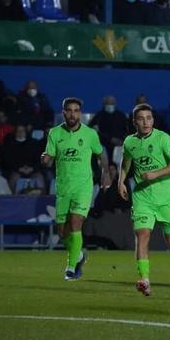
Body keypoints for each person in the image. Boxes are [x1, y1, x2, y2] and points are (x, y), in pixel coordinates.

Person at [118, 104, 170, 297]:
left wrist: (156, 174)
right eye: (141, 119)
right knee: (142, 235)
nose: (145, 122)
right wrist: (121, 181)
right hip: (142, 197)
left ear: (153, 120)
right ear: (135, 122)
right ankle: (145, 279)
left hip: (165, 197)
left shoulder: (162, 138)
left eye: (149, 118)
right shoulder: (129, 142)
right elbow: (126, 163)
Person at [41, 98, 110, 281]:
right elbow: (48, 156)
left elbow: (101, 154)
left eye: (76, 110)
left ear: (80, 113)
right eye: (69, 110)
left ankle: (71, 268)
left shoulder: (89, 134)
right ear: (63, 112)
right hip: (63, 188)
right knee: (62, 231)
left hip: (83, 187)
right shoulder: (55, 133)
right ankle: (79, 255)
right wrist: (45, 159)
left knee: (75, 223)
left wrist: (106, 173)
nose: (73, 113)